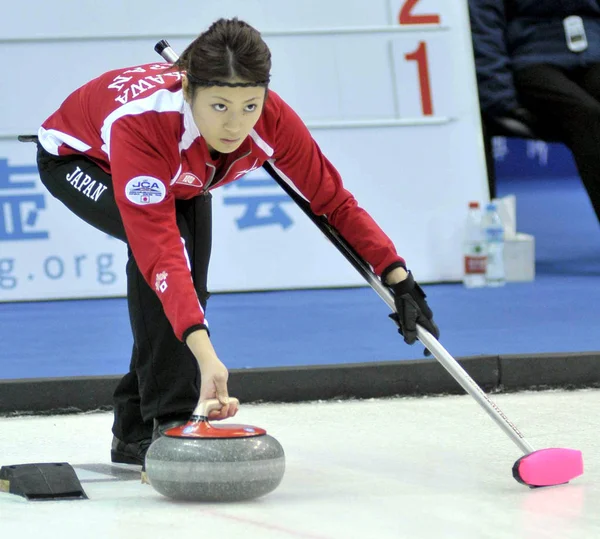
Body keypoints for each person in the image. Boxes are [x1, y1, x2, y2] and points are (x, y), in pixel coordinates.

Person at [34, 17, 439, 467]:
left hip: (181, 177)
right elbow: (161, 255)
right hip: (81, 161)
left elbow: (332, 199)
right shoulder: (143, 125)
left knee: (192, 290)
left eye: (250, 105)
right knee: (174, 267)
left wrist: (399, 278)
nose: (236, 125)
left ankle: (131, 431)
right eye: (220, 106)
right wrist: (208, 360)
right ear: (189, 91)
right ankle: (167, 426)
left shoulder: (272, 119)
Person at [469, 0, 600, 223]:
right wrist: (500, 97)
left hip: (594, 49)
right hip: (531, 60)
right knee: (587, 114)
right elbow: (484, 26)